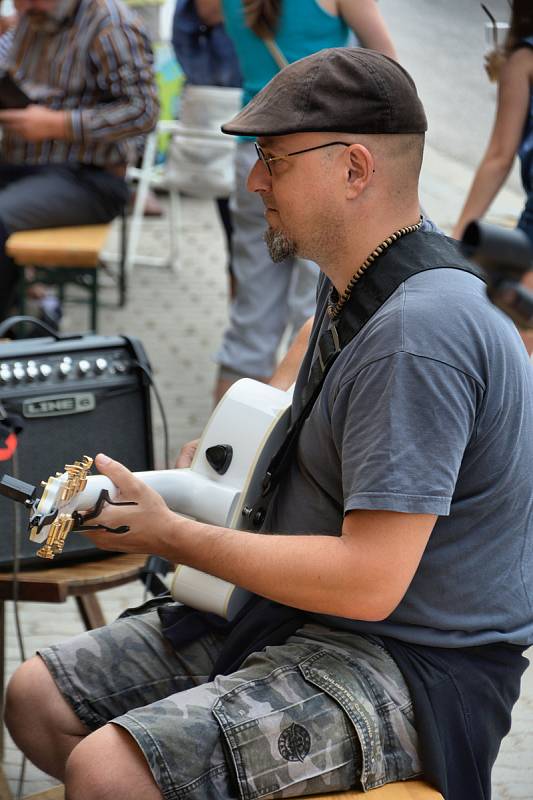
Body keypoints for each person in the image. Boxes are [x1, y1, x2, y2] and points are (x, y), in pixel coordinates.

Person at [5, 49, 533, 800]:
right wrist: (235, 455)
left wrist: (173, 535)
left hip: (412, 663)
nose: (253, 181)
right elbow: (296, 408)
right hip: (303, 615)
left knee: (108, 771)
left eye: (273, 159)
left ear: (354, 169)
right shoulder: (363, 275)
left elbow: (369, 583)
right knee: (35, 700)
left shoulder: (420, 335)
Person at [212, 0, 397, 401]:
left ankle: (220, 455)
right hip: (318, 160)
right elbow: (386, 76)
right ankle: (309, 448)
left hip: (254, 152)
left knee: (251, 322)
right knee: (316, 314)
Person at [0, 0, 159, 323]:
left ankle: (14, 327)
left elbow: (144, 111)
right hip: (23, 165)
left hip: (90, 179)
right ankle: (30, 307)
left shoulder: (111, 24)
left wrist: (58, 125)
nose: (22, 5)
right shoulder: (31, 17)